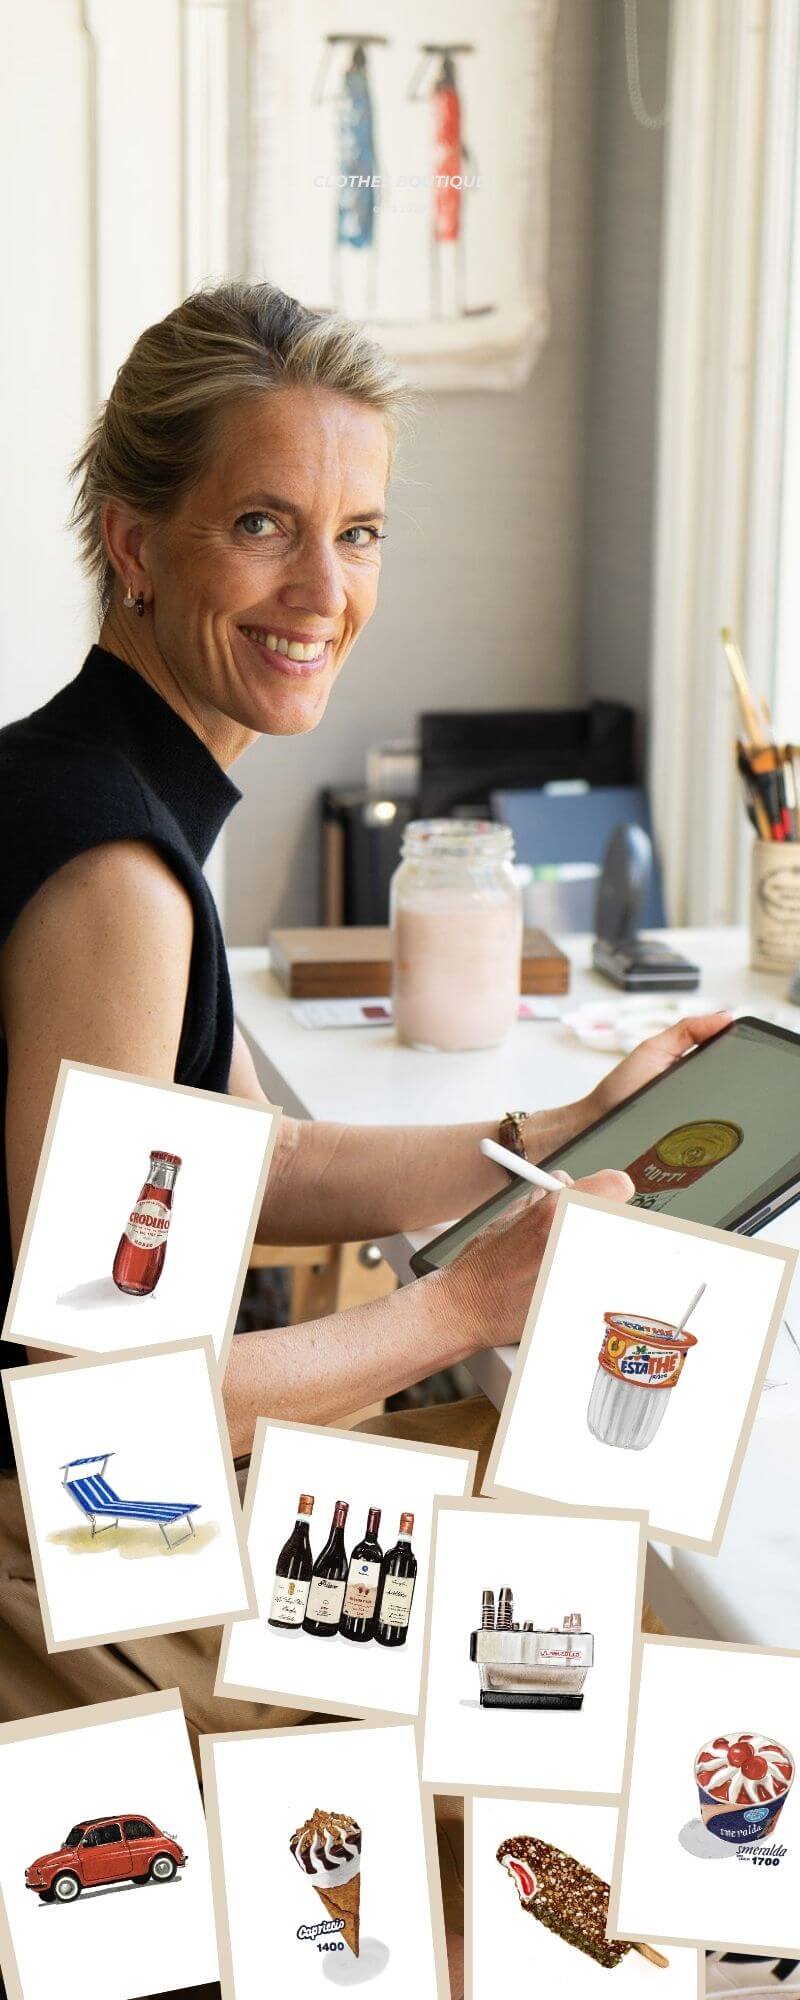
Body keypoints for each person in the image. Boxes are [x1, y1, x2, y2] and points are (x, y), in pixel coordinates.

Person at [0, 282, 728, 1990]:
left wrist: (552, 1128)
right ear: (139, 542)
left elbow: (246, 1162)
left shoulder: (101, 789)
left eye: (358, 532)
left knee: (580, 1595)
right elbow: (81, 1420)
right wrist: (461, 1313)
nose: (324, 593)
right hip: (62, 1574)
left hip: (98, 1525)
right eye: (263, 526)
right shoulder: (116, 875)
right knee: (624, 1739)